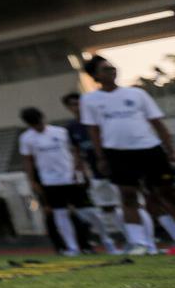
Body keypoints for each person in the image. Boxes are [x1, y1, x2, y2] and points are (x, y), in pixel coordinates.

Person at [81, 55, 175, 254]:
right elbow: (94, 131)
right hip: (118, 153)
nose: (111, 71)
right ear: (95, 76)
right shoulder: (89, 100)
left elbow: (157, 123)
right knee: (128, 196)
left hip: (150, 149)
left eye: (112, 67)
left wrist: (169, 149)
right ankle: (139, 243)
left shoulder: (137, 94)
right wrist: (101, 157)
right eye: (105, 69)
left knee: (166, 193)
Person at [18, 107, 116, 256]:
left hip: (71, 178)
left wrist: (79, 169)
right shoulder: (26, 138)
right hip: (50, 181)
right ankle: (72, 247)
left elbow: (75, 151)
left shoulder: (61, 132)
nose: (37, 127)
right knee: (60, 214)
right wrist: (31, 180)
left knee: (89, 212)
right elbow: (28, 160)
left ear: (42, 118)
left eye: (38, 122)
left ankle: (107, 241)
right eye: (33, 124)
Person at [63, 92, 127, 245]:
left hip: (114, 166)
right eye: (72, 105)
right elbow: (76, 149)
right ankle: (129, 238)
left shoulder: (98, 119)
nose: (76, 107)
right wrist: (77, 168)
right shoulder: (71, 127)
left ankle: (145, 239)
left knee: (127, 201)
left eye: (78, 103)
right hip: (96, 171)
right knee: (107, 207)